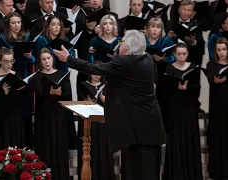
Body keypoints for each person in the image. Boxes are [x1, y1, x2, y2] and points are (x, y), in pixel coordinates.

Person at [54, 29, 167, 180]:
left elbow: (94, 68)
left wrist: (68, 59)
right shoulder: (147, 59)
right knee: (150, 171)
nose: (119, 46)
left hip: (136, 128)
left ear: (126, 47)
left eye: (121, 43)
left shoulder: (124, 62)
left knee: (136, 171)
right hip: (151, 126)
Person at [0, 12, 35, 149]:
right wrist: (6, 55)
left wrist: (30, 56)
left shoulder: (26, 37)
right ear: (8, 25)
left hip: (22, 77)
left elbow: (33, 60)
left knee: (24, 115)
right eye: (13, 23)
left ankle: (25, 148)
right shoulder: (1, 38)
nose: (17, 25)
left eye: (19, 22)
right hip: (6, 75)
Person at [161, 43, 203, 180]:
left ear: (188, 54)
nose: (181, 56)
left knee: (189, 139)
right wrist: (176, 87)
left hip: (189, 109)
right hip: (175, 111)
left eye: (184, 54)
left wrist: (188, 87)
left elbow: (197, 88)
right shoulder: (169, 68)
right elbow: (165, 92)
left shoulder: (193, 68)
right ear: (174, 54)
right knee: (175, 140)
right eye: (179, 54)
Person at [32, 48, 71, 180]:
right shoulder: (37, 76)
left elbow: (67, 95)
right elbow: (38, 94)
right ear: (40, 61)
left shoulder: (61, 74)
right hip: (44, 116)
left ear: (53, 59)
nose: (47, 61)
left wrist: (60, 94)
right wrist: (49, 93)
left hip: (59, 115)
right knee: (46, 146)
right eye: (43, 59)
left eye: (48, 58)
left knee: (60, 146)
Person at [77, 65, 116, 180]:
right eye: (94, 72)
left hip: (103, 123)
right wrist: (86, 102)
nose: (96, 75)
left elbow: (115, 104)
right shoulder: (83, 85)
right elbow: (80, 102)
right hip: (89, 123)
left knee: (103, 149)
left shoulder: (108, 86)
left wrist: (105, 100)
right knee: (89, 150)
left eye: (99, 73)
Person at [206, 37, 228, 180]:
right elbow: (210, 81)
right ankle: (216, 171)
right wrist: (214, 81)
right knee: (217, 138)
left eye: (224, 49)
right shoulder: (212, 66)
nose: (222, 53)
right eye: (219, 50)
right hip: (217, 107)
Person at [0, 47, 25, 150]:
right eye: (6, 61)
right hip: (2, 116)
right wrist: (3, 93)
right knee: (3, 144)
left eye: (11, 61)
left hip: (15, 115)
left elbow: (22, 97)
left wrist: (22, 89)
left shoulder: (17, 75)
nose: (9, 64)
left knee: (16, 143)